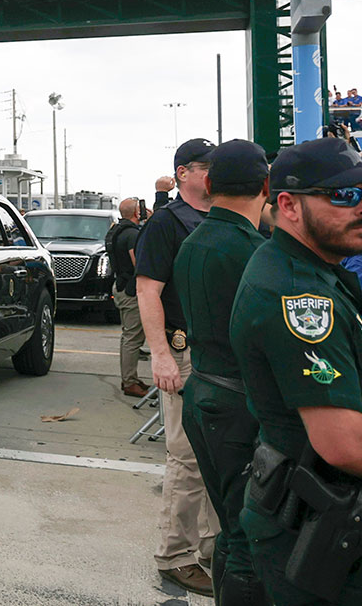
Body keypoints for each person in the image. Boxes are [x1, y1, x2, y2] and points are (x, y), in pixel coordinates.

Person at [231, 137, 362, 604]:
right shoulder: (299, 298)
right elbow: (344, 445)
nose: (359, 205)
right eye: (343, 195)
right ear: (287, 205)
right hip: (317, 523)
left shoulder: (315, 268)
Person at [172, 139, 269, 605]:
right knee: (251, 532)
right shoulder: (253, 250)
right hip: (239, 405)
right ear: (266, 186)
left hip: (204, 393)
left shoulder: (195, 240)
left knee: (232, 527)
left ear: (209, 183)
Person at [135, 137, 218, 596]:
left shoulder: (225, 217)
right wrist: (161, 355)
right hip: (183, 351)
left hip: (221, 353)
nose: (214, 173)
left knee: (219, 457)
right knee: (186, 458)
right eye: (206, 166)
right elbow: (148, 290)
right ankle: (175, 556)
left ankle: (209, 549)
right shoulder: (166, 223)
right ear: (183, 172)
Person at [110, 197, 148, 398]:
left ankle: (130, 378)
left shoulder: (116, 230)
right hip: (131, 290)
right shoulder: (132, 234)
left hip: (121, 286)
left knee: (129, 336)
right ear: (136, 213)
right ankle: (129, 382)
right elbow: (138, 264)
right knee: (132, 338)